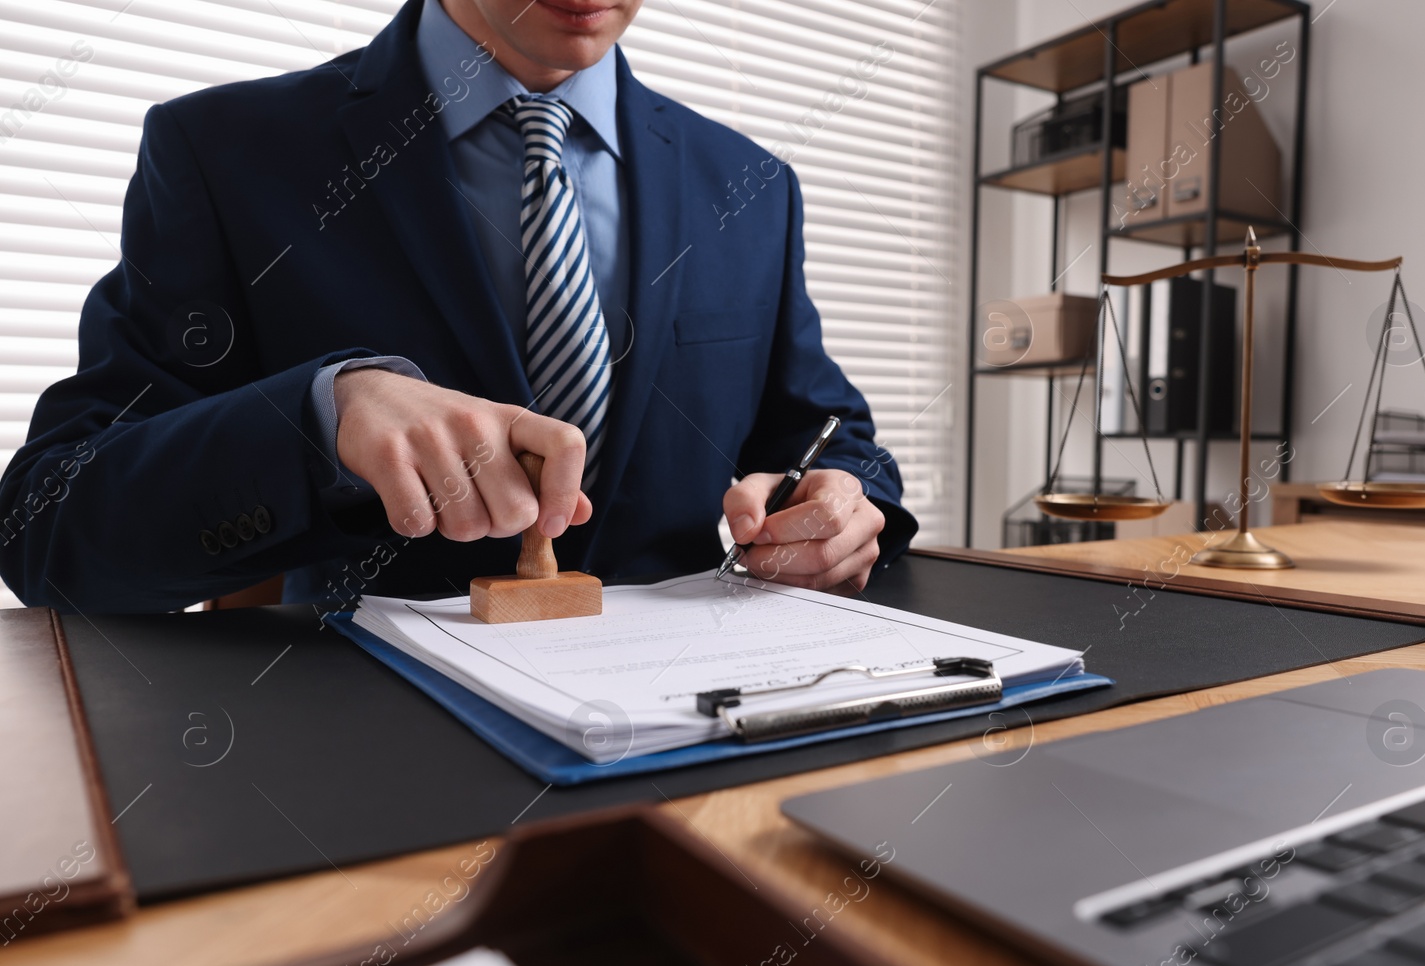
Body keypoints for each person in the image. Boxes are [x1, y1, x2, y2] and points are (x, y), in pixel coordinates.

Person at [0, 0, 915, 613]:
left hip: (701, 761)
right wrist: (323, 416)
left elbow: (830, 437)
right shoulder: (224, 150)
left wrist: (844, 502)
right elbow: (48, 524)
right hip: (366, 791)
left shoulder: (752, 183)